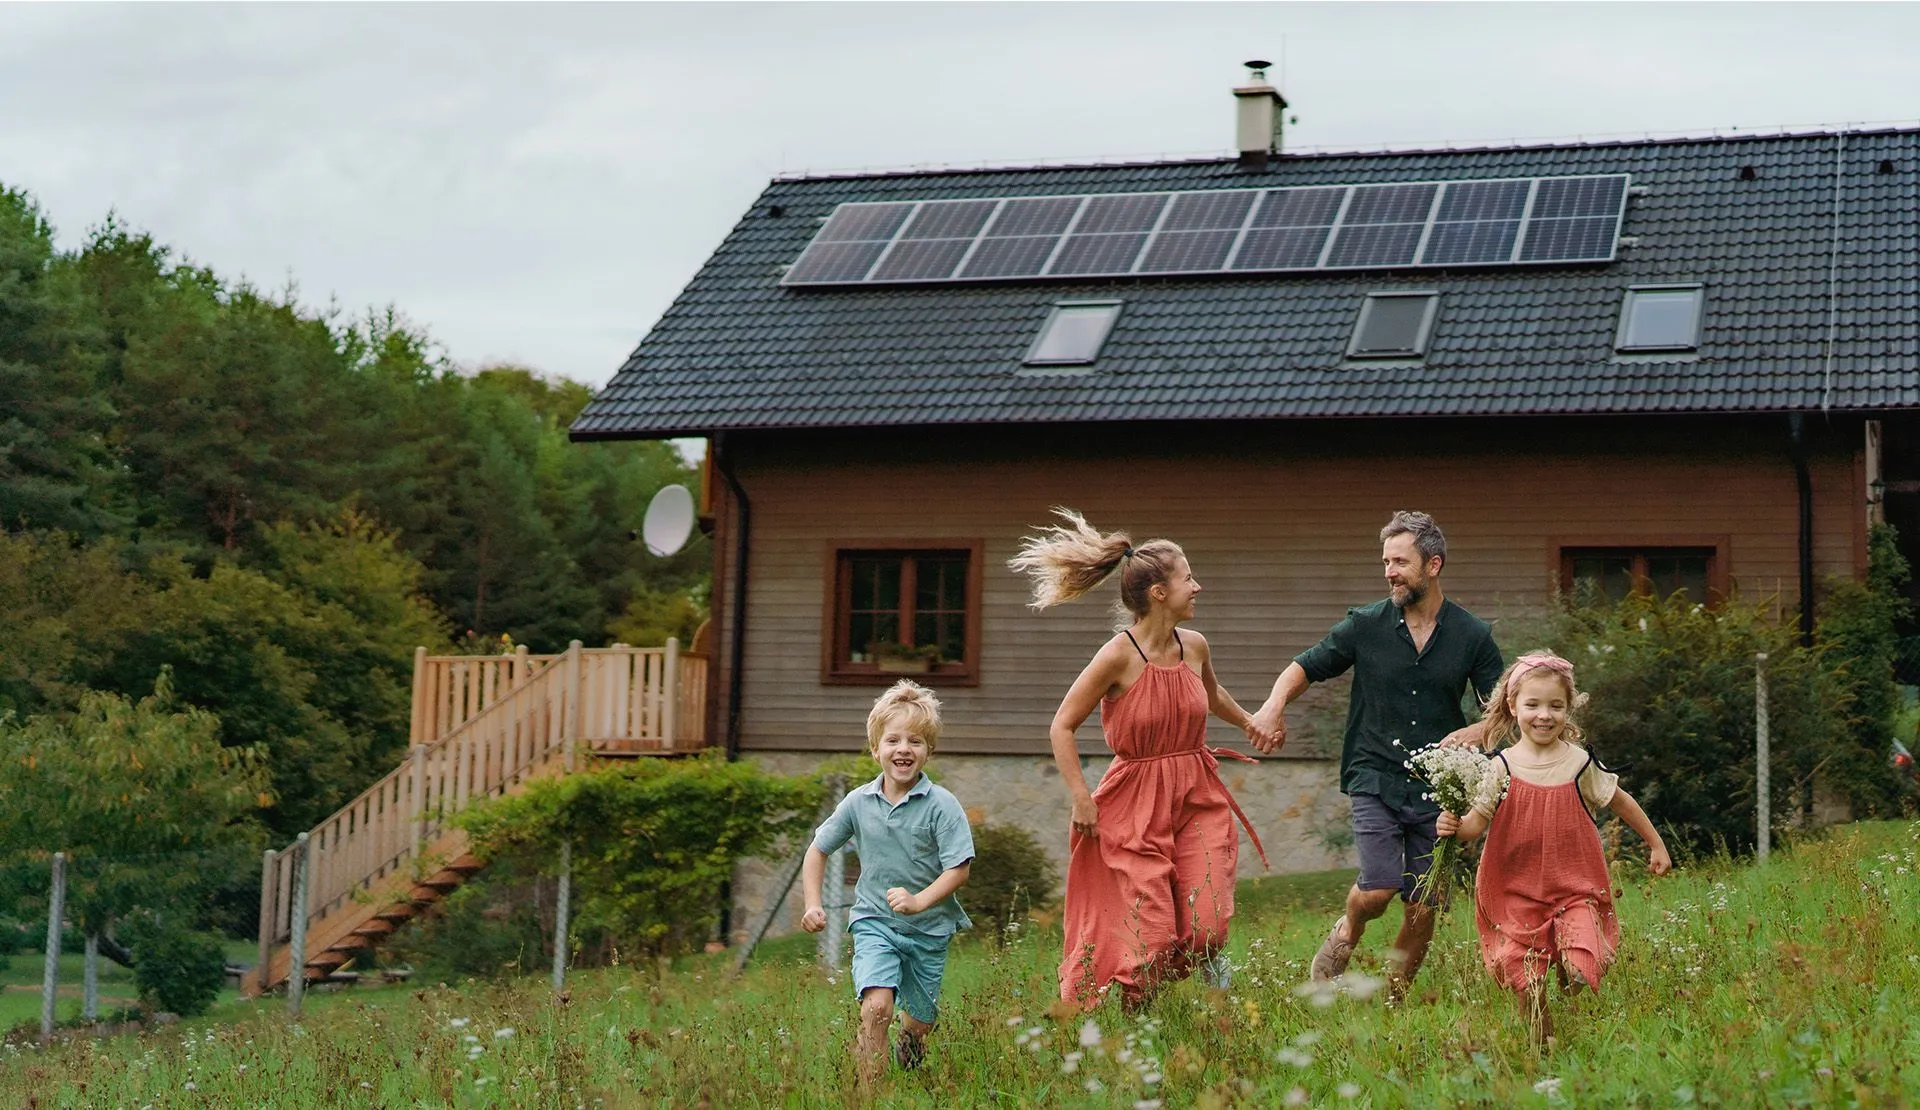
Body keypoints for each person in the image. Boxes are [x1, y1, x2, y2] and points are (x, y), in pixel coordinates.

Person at [1008, 508, 1270, 1011]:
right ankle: (1137, 1021)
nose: (1198, 587)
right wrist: (1081, 797)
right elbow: (1062, 725)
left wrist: (1251, 722)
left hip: (1197, 793)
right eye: (1188, 578)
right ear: (1158, 594)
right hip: (1134, 806)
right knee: (1148, 940)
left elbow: (1212, 696)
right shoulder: (1117, 656)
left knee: (1207, 926)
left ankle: (1177, 977)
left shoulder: (1194, 646)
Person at [1249, 510, 1503, 1000]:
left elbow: (1503, 708)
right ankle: (1347, 928)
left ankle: (1394, 998)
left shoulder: (1473, 636)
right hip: (1374, 773)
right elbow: (1306, 665)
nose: (1389, 571)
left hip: (1441, 784)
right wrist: (1272, 707)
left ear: (1433, 564)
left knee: (1424, 903)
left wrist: (1479, 728)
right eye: (1385, 561)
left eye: (1400, 562)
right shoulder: (1364, 625)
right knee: (1379, 889)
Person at [1437, 650, 1672, 1047]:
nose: (1544, 715)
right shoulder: (1501, 767)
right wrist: (1453, 826)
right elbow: (1474, 826)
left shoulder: (1579, 763)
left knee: (1582, 965)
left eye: (1555, 706)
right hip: (1515, 887)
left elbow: (1621, 800)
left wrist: (1657, 844)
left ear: (1569, 709)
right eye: (1533, 705)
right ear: (1513, 707)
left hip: (1573, 884)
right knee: (1524, 975)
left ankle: (1568, 973)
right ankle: (1541, 1039)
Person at [800, 680, 974, 1083]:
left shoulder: (942, 805)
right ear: (876, 749)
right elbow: (817, 850)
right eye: (892, 740)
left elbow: (959, 869)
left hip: (929, 930)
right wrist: (813, 903)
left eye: (915, 741)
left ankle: (908, 1056)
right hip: (874, 922)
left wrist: (918, 902)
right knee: (877, 1008)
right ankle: (869, 1096)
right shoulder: (858, 803)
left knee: (919, 1025)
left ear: (928, 751)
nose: (903, 749)